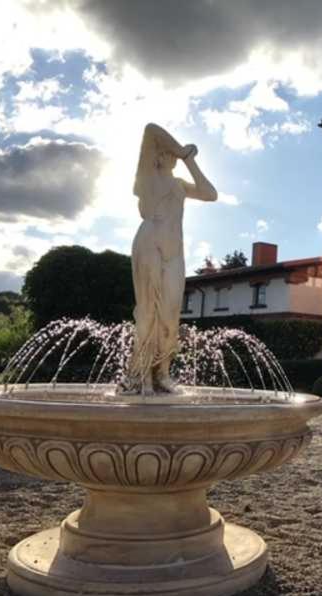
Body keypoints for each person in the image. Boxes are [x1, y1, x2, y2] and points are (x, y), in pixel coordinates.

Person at [120, 123, 217, 394]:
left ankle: (162, 373)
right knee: (148, 313)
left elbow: (210, 194)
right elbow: (151, 129)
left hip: (175, 251)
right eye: (167, 152)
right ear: (157, 155)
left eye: (173, 153)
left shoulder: (179, 185)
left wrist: (189, 160)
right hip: (149, 243)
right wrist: (179, 148)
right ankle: (141, 375)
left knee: (171, 316)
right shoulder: (147, 178)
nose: (171, 156)